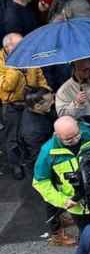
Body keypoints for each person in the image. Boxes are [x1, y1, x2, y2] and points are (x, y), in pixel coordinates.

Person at [32, 116, 90, 245]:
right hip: (76, 203)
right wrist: (62, 201)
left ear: (78, 127)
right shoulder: (48, 151)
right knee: (87, 234)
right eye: (68, 139)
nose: (74, 140)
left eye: (76, 135)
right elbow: (40, 182)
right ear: (56, 135)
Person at [0, 32, 52, 181]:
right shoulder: (2, 61)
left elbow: (40, 76)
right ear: (8, 47)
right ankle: (16, 164)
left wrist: (46, 91)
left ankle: (35, 161)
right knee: (13, 138)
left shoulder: (29, 55)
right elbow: (7, 86)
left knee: (33, 133)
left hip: (31, 102)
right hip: (13, 105)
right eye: (19, 45)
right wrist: (14, 66)